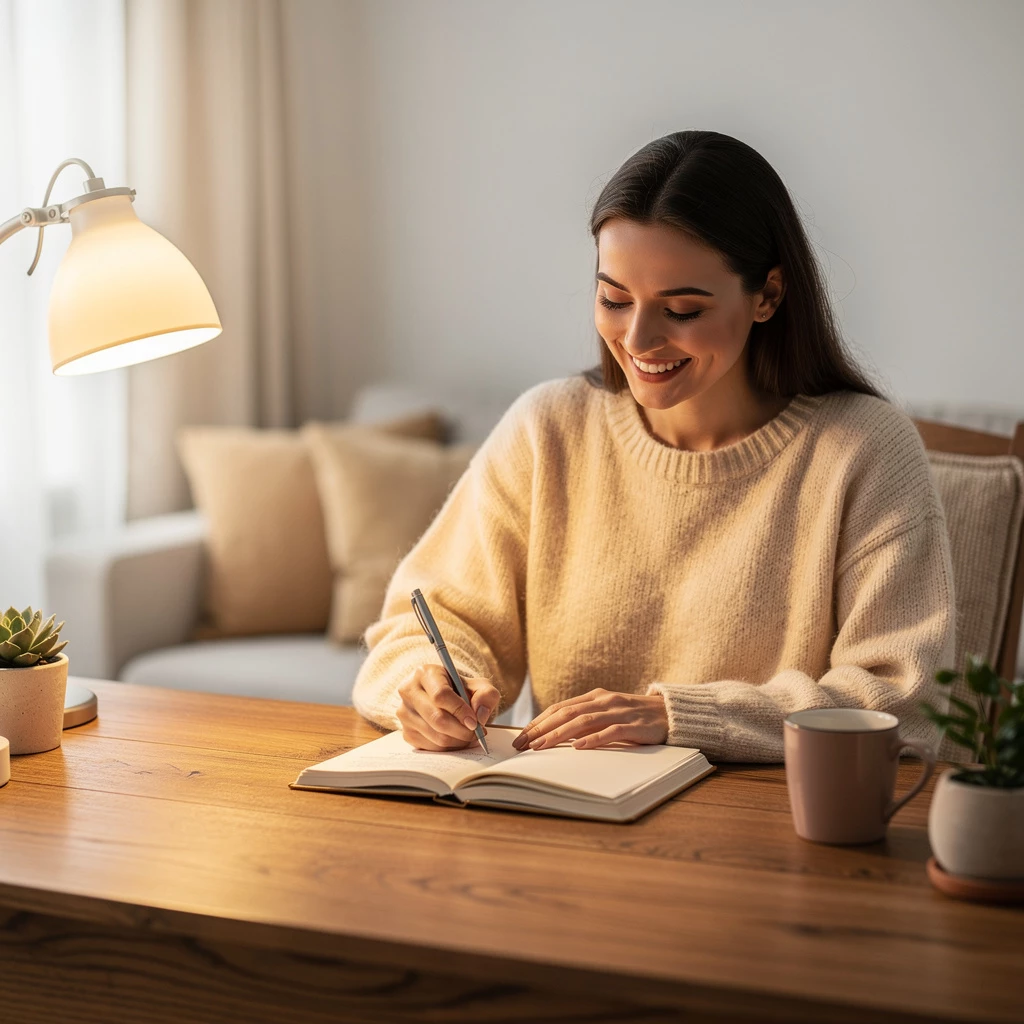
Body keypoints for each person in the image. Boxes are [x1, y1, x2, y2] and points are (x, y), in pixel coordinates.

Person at [351, 129, 955, 762]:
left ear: (768, 296)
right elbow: (424, 623)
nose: (638, 338)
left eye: (683, 310)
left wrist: (679, 716)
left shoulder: (863, 452)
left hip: (770, 834)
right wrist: (427, 685)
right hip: (562, 823)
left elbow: (903, 701)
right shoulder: (548, 429)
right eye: (614, 298)